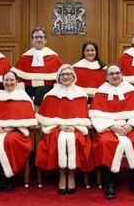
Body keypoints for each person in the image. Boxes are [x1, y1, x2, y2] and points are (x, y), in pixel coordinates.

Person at [89, 63, 134, 199]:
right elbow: (95, 115)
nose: (115, 76)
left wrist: (131, 125)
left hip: (130, 127)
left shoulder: (132, 90)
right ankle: (109, 182)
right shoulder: (100, 92)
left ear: (122, 75)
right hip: (108, 128)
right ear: (106, 77)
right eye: (111, 74)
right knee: (106, 143)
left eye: (117, 73)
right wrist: (111, 126)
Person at [35, 64, 93, 195]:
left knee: (77, 140)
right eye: (63, 74)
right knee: (56, 140)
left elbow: (84, 116)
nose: (66, 77)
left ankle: (71, 176)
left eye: (68, 74)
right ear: (58, 77)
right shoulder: (50, 95)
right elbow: (44, 117)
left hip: (77, 129)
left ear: (73, 77)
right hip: (55, 128)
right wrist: (58, 125)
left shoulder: (81, 94)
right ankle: (62, 176)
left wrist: (75, 126)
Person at [11, 27, 63, 108]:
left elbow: (60, 78)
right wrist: (22, 93)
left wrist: (54, 93)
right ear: (32, 40)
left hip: (47, 95)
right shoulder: (25, 58)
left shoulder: (54, 58)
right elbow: (19, 77)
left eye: (41, 37)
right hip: (29, 95)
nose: (39, 39)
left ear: (45, 40)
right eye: (36, 37)